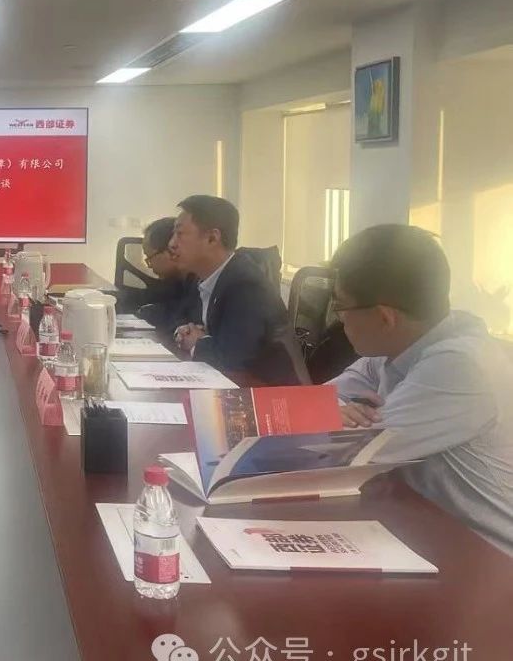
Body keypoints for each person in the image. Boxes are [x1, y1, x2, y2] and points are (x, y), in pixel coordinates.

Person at [328, 224, 513, 556]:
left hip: (488, 558)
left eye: (340, 306)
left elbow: (348, 454)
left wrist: (327, 418)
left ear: (385, 318)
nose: (339, 319)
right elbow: (314, 401)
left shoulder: (460, 366)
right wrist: (329, 413)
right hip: (422, 525)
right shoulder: (400, 344)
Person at [169, 195, 299, 384]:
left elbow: (233, 361)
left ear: (212, 238)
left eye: (180, 234)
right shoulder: (202, 277)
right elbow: (180, 317)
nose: (172, 244)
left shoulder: (245, 286)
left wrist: (197, 342)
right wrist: (183, 331)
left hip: (268, 395)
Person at [133, 217, 200, 335]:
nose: (149, 266)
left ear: (170, 251)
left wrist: (152, 314)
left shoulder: (200, 282)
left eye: (149, 258)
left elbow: (184, 322)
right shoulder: (176, 282)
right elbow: (151, 297)